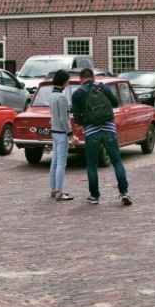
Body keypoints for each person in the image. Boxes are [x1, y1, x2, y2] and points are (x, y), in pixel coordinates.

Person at [71, 68, 132, 206]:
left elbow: (77, 118)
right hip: (109, 129)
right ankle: (124, 193)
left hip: (92, 131)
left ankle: (94, 196)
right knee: (117, 161)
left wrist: (84, 124)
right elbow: (115, 103)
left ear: (81, 79)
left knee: (92, 164)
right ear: (93, 77)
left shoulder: (78, 94)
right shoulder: (103, 87)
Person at [49, 69, 77, 201]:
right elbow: (64, 119)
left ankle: (54, 189)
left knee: (54, 162)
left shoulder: (52, 96)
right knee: (61, 163)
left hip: (54, 132)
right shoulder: (62, 98)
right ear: (64, 81)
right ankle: (60, 191)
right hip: (61, 133)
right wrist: (71, 134)